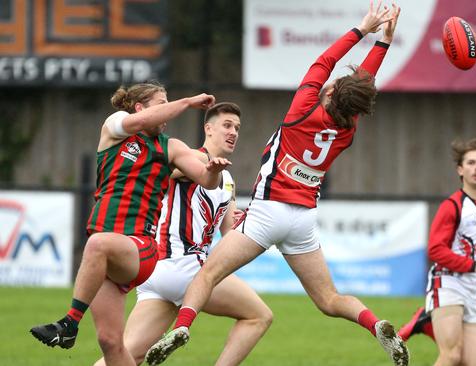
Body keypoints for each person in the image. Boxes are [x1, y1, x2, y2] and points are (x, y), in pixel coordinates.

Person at [145, 2, 409, 366]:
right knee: (329, 300)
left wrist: (364, 31)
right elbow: (359, 90)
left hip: (269, 210)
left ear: (329, 95)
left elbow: (323, 62)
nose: (326, 83)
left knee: (208, 273)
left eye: (330, 86)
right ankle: (374, 322)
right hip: (303, 221)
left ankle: (184, 326)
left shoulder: (302, 112)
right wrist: (384, 46)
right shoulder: (347, 129)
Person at [30, 82, 230, 366]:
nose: (167, 108)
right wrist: (187, 102)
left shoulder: (171, 147)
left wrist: (213, 171)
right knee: (111, 343)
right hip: (109, 255)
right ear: (140, 108)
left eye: (168, 102)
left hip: (142, 249)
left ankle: (69, 325)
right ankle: (72, 328)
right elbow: (139, 123)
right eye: (161, 103)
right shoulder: (115, 128)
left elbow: (206, 181)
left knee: (97, 243)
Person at [94, 102, 272, 366]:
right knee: (259, 316)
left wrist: (249, 223)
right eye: (226, 125)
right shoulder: (192, 158)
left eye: (237, 127)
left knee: (130, 354)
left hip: (157, 273)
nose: (233, 131)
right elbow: (159, 172)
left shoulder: (228, 178)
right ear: (208, 129)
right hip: (185, 267)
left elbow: (229, 234)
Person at [398, 138, 476, 366]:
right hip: (447, 283)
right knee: (451, 355)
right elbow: (435, 250)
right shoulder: (453, 206)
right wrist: (473, 265)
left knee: (470, 362)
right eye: (471, 163)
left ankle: (424, 321)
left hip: (474, 291)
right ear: (460, 170)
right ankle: (426, 318)